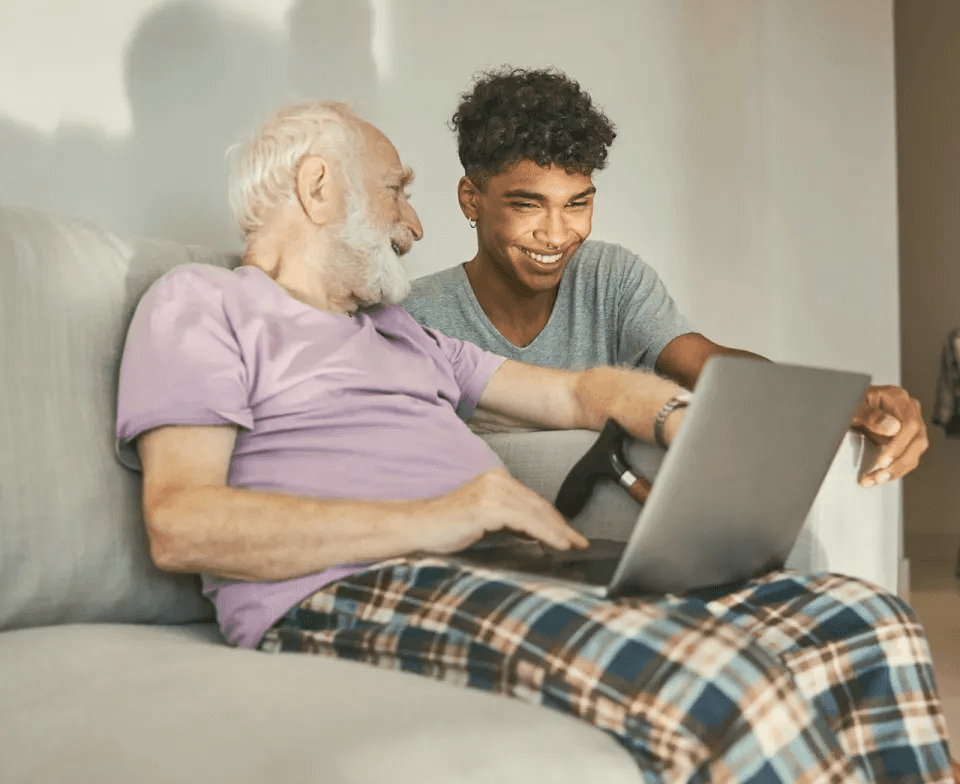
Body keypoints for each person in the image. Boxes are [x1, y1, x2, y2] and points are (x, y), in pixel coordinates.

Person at [115, 100, 953, 783]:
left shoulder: (401, 333)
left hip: (503, 564)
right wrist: (443, 516)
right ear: (318, 185)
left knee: (862, 618)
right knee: (716, 678)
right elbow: (182, 524)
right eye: (396, 190)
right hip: (354, 585)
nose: (412, 222)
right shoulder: (204, 304)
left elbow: (581, 392)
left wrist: (686, 422)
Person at [402, 67, 928, 485]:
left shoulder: (609, 278)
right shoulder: (416, 317)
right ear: (471, 199)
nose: (557, 234)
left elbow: (705, 365)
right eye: (528, 205)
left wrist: (839, 403)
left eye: (577, 203)